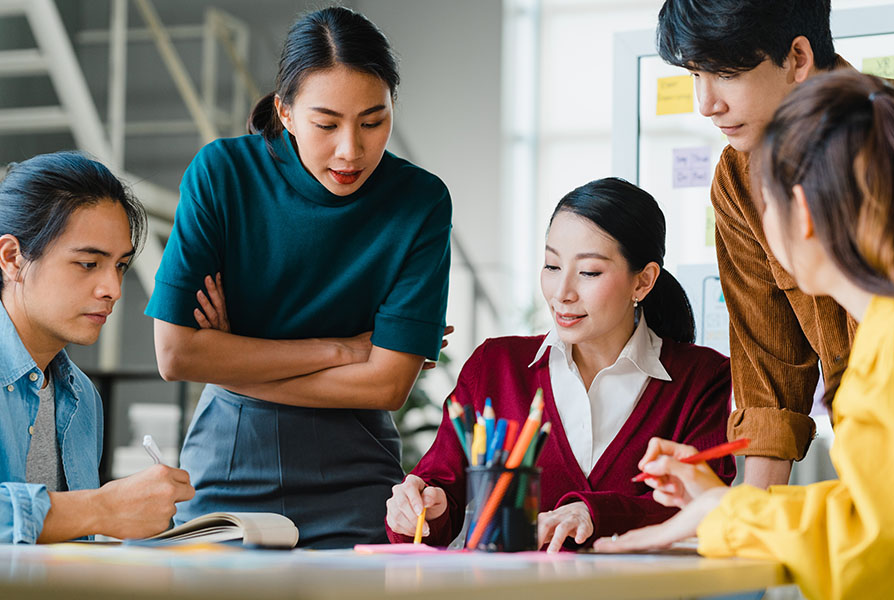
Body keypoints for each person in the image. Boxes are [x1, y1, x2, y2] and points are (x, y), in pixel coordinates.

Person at [145, 7, 451, 549]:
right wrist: (344, 350)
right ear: (285, 113)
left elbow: (388, 384)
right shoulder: (222, 173)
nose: (350, 150)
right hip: (229, 459)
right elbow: (175, 357)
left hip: (357, 474)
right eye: (326, 123)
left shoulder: (420, 201)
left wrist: (231, 352)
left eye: (373, 121)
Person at [595, 71, 894, 600]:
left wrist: (727, 514)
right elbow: (874, 513)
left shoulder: (888, 351)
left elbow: (872, 548)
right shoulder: (880, 336)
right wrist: (724, 504)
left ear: (800, 212)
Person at [385, 178, 734, 552]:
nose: (561, 293)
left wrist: (591, 513)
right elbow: (438, 499)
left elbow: (704, 508)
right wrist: (421, 510)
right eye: (552, 266)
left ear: (643, 281)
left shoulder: (703, 378)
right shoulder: (495, 366)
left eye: (589, 272)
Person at [656, 0, 855, 488]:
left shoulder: (883, 141)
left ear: (798, 58)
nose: (706, 104)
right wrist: (743, 529)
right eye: (694, 75)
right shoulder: (737, 177)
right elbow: (768, 375)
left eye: (725, 73)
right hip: (868, 474)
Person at [0, 152, 194, 544]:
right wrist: (104, 508)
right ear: (12, 258)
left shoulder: (82, 397)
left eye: (120, 265)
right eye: (89, 264)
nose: (114, 290)